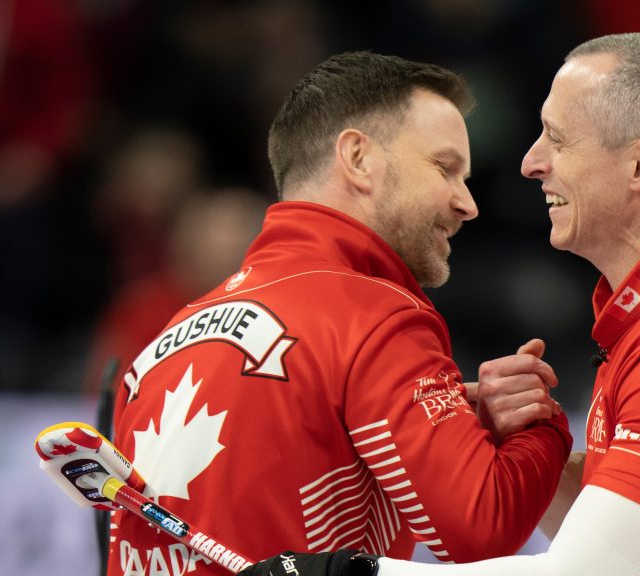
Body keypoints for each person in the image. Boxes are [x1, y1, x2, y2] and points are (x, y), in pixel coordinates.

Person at [239, 32, 640, 576]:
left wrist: (346, 574)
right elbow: (630, 537)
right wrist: (524, 441)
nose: (531, 163)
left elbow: (579, 572)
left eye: (556, 137)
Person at [107, 51, 573, 576]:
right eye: (445, 168)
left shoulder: (169, 337)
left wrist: (458, 428)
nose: (468, 203)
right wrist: (539, 423)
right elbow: (481, 529)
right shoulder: (374, 313)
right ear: (357, 158)